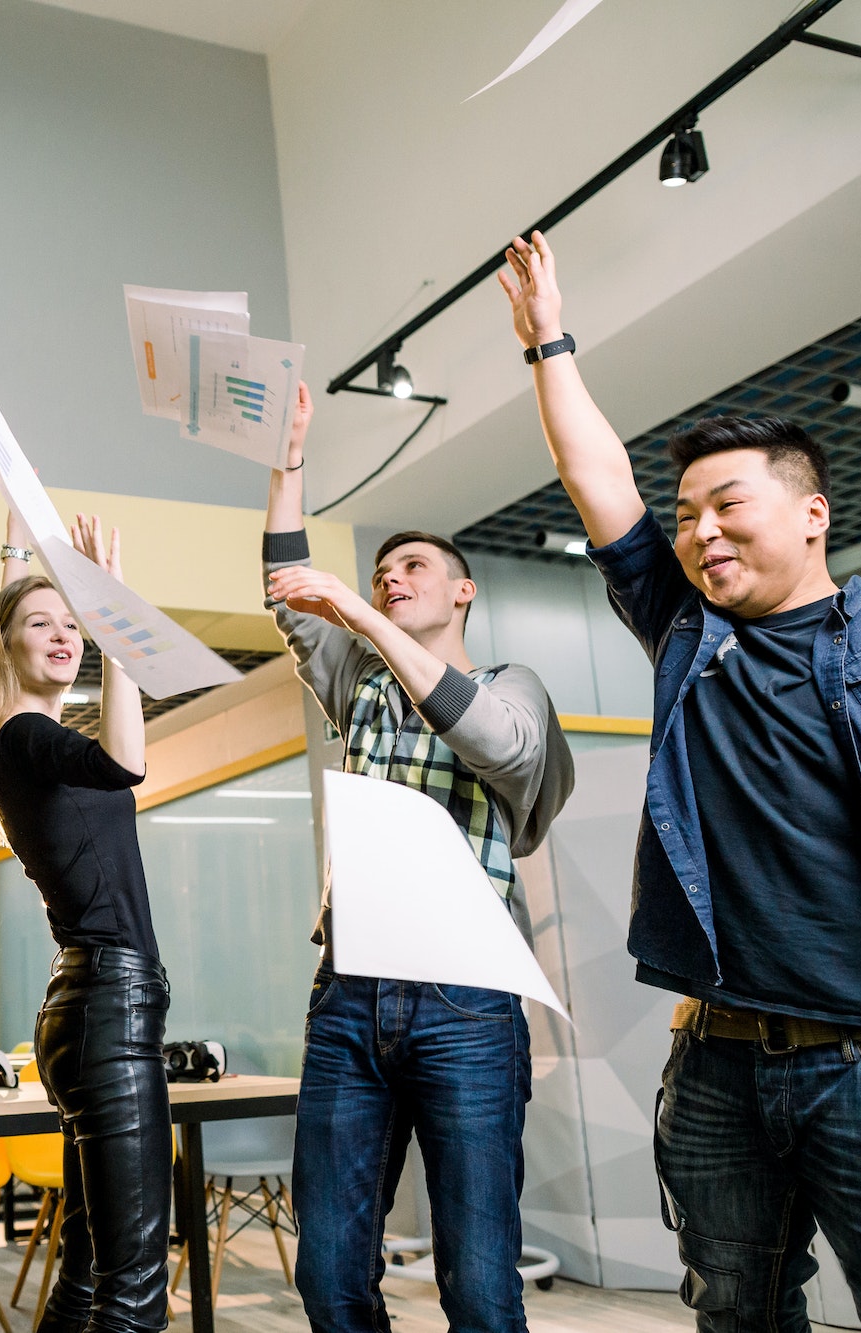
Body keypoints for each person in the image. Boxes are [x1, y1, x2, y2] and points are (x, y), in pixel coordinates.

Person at [500, 228, 861, 1331]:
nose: (698, 531)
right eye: (688, 510)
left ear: (811, 513)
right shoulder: (683, 636)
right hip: (711, 1064)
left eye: (726, 505)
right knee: (733, 1315)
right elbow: (597, 478)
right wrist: (546, 342)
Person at [262, 381, 573, 1332]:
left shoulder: (509, 684)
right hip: (349, 992)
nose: (394, 576)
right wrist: (291, 459)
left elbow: (499, 745)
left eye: (413, 566)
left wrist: (362, 610)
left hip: (466, 1003)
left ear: (464, 588)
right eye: (384, 570)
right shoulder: (355, 678)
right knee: (327, 1279)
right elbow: (283, 588)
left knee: (479, 1288)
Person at [0, 511, 172, 1333]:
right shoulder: (30, 735)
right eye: (43, 625)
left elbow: (11, 615)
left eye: (73, 624)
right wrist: (112, 622)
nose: (64, 634)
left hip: (84, 1006)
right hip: (110, 1003)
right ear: (6, 645)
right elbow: (124, 763)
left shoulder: (10, 740)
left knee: (86, 1275)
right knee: (136, 1289)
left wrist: (14, 530)